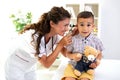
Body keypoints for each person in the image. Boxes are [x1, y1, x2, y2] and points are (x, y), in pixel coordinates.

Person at [5, 6, 72, 80]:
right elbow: (46, 64)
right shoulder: (34, 37)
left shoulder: (55, 36)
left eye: (68, 25)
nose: (67, 28)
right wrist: (60, 45)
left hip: (30, 66)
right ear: (52, 24)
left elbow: (66, 54)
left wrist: (75, 35)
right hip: (15, 66)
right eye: (65, 25)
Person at [61, 11, 104, 80]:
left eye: (88, 25)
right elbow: (67, 53)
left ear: (93, 26)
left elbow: (99, 53)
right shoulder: (73, 39)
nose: (85, 28)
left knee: (85, 79)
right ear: (77, 26)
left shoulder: (96, 41)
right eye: (81, 25)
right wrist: (73, 56)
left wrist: (97, 61)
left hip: (87, 67)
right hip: (73, 65)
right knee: (69, 79)